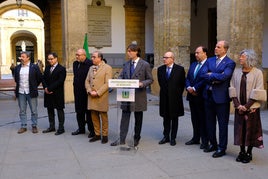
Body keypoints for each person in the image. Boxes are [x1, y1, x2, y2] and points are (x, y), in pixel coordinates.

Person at [110, 43, 153, 147]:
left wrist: (142, 83)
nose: (128, 53)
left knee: (138, 118)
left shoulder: (145, 64)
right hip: (126, 95)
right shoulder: (126, 64)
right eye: (127, 51)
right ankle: (122, 138)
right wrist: (118, 81)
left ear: (136, 52)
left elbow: (150, 79)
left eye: (130, 51)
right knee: (124, 118)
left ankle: (136, 138)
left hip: (138, 95)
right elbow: (121, 77)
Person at [229, 49, 266, 163]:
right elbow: (232, 87)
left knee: (251, 130)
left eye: (243, 57)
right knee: (240, 130)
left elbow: (258, 90)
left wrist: (247, 106)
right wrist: (237, 104)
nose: (240, 58)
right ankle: (241, 151)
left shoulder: (257, 73)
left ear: (249, 58)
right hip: (239, 107)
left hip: (252, 109)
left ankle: (249, 152)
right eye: (240, 56)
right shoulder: (236, 72)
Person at [201, 40, 236, 158]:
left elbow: (225, 76)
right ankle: (213, 144)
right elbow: (203, 74)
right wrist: (215, 76)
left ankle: (222, 148)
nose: (215, 48)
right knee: (209, 122)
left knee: (222, 124)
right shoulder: (210, 60)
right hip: (208, 96)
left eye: (218, 47)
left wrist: (211, 75)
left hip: (221, 99)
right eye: (216, 46)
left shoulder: (230, 63)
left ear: (225, 49)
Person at [157, 51, 185, 146]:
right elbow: (161, 83)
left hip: (175, 99)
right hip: (164, 98)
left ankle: (173, 137)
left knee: (174, 118)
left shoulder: (180, 69)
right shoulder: (160, 69)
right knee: (166, 118)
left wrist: (175, 94)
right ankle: (166, 136)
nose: (164, 59)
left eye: (166, 57)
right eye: (164, 57)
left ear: (172, 59)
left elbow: (182, 85)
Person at [85, 51, 113, 144]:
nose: (92, 58)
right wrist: (89, 90)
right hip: (91, 96)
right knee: (94, 116)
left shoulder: (107, 68)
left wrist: (98, 92)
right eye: (92, 57)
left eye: (93, 57)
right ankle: (97, 134)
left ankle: (105, 135)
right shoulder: (90, 68)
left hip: (101, 96)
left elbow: (107, 83)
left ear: (99, 58)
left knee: (103, 117)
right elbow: (87, 81)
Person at [185, 46, 208, 149]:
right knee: (194, 118)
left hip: (202, 96)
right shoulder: (194, 64)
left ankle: (204, 140)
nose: (196, 54)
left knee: (203, 119)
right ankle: (195, 138)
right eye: (195, 53)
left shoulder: (209, 64)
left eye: (198, 53)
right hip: (192, 96)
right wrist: (189, 87)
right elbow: (188, 77)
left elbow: (205, 79)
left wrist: (195, 88)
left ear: (205, 53)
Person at [14, 51, 42, 134]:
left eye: (23, 57)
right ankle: (23, 126)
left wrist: (34, 86)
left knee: (34, 110)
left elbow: (39, 78)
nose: (21, 58)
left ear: (28, 58)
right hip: (21, 92)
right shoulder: (17, 68)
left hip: (31, 92)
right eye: (20, 57)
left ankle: (34, 125)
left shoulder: (34, 67)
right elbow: (16, 79)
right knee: (22, 110)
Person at [72, 48, 95, 138]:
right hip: (77, 91)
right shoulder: (75, 64)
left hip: (86, 91)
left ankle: (91, 130)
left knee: (88, 112)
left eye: (78, 55)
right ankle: (81, 128)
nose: (77, 56)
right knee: (79, 111)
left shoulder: (90, 64)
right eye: (76, 55)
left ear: (84, 55)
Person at [42, 52, 67, 135]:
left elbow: (60, 81)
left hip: (57, 93)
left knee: (59, 110)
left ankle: (61, 128)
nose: (50, 61)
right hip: (48, 93)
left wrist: (49, 88)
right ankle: (51, 126)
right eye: (48, 59)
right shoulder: (47, 68)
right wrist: (45, 88)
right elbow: (44, 79)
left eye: (51, 59)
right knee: (50, 110)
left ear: (56, 58)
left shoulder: (61, 69)